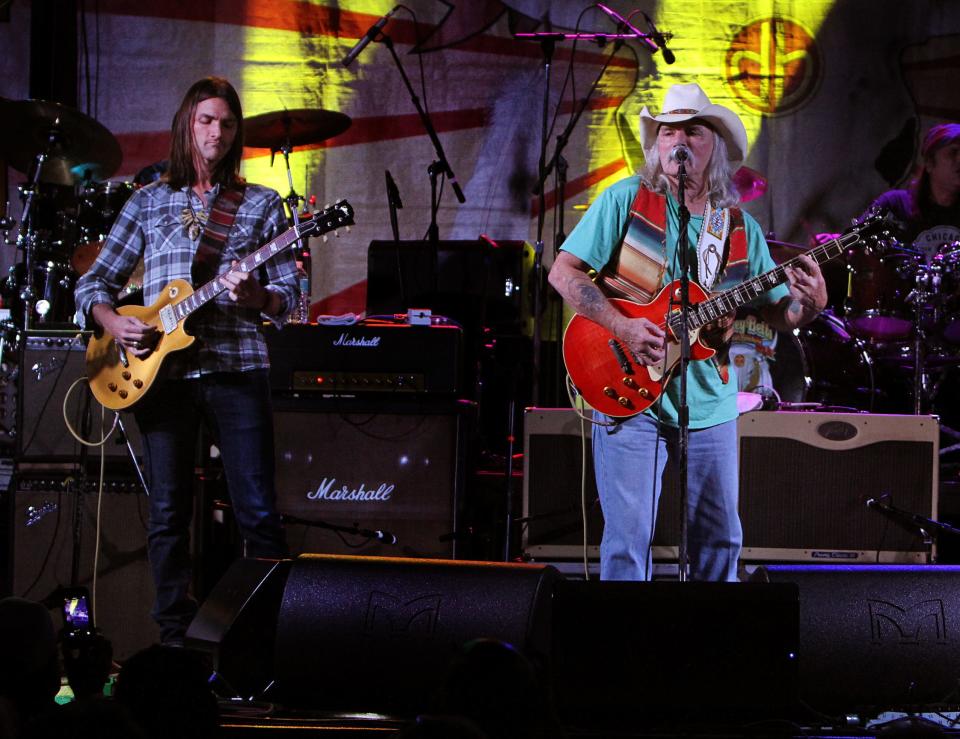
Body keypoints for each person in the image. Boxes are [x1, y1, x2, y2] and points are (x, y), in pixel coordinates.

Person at [548, 83, 827, 582]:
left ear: (713, 146)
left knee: (721, 540)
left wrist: (807, 307)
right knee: (628, 540)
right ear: (657, 146)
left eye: (692, 130)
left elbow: (774, 314)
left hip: (710, 399)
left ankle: (708, 647)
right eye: (667, 131)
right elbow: (563, 273)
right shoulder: (627, 200)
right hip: (630, 392)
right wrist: (622, 327)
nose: (678, 140)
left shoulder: (739, 227)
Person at [75, 77, 299, 645]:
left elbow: (292, 295)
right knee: (170, 514)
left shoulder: (262, 203)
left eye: (226, 123)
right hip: (163, 375)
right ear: (187, 124)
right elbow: (95, 280)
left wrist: (258, 298)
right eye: (206, 120)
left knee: (257, 512)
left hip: (237, 367)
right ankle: (173, 638)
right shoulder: (148, 200)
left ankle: (260, 639)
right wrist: (111, 320)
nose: (216, 132)